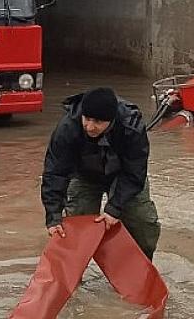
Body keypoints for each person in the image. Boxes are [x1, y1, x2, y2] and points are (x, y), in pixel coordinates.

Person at [41, 87, 161, 260]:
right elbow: (54, 173)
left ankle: (142, 267)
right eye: (87, 119)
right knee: (74, 228)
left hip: (123, 176)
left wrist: (114, 208)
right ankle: (74, 275)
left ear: (111, 120)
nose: (90, 127)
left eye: (97, 122)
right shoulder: (67, 128)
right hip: (84, 176)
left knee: (142, 222)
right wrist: (53, 217)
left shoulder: (131, 126)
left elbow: (135, 172)